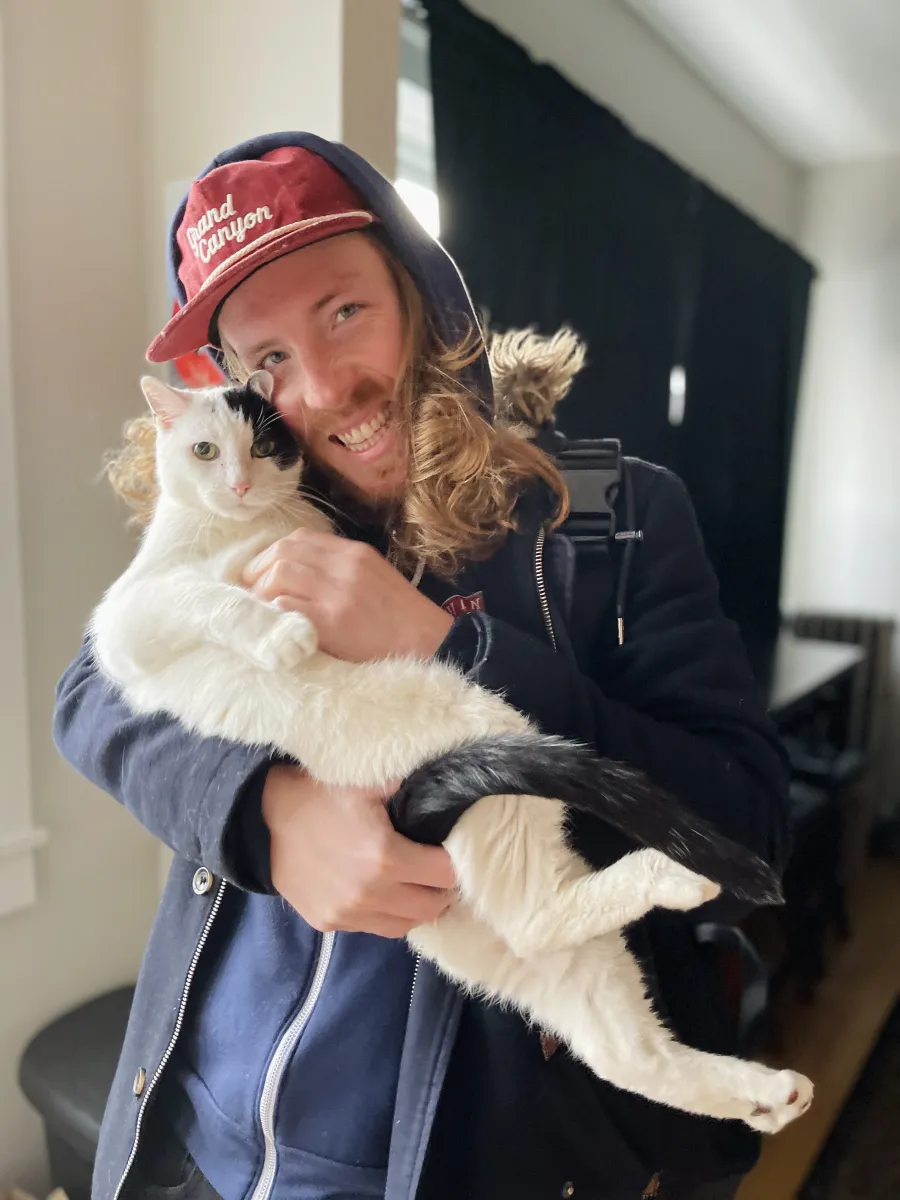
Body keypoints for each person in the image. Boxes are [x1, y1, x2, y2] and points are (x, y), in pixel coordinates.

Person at [53, 132, 789, 1200]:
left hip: (459, 1162)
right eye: (267, 362)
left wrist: (445, 645)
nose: (321, 388)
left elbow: (749, 834)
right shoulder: (252, 507)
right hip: (199, 1145)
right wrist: (268, 813)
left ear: (423, 294)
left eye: (344, 311)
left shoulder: (613, 514)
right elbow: (90, 691)